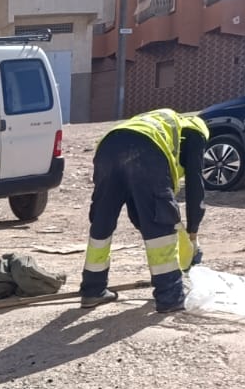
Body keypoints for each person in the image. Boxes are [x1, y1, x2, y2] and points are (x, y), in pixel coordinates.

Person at [80, 108, 210, 312]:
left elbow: (137, 208)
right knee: (161, 224)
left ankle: (92, 290)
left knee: (102, 221)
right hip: (146, 150)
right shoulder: (196, 133)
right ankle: (170, 296)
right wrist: (192, 233)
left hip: (108, 147)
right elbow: (195, 187)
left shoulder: (157, 122)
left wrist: (146, 221)